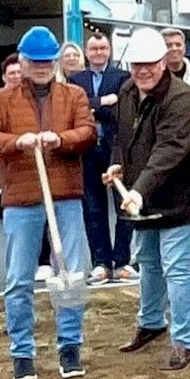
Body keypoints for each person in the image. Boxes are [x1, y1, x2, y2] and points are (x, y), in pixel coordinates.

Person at [0, 27, 97, 379]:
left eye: (47, 61)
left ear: (55, 61)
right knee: (18, 279)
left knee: (70, 275)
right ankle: (22, 353)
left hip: (65, 194)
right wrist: (16, 142)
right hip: (21, 197)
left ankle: (70, 347)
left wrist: (60, 139)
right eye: (35, 61)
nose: (42, 67)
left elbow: (87, 132)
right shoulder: (2, 99)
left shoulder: (73, 95)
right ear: (23, 62)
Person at [109, 26, 190, 372]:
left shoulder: (182, 99)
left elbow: (168, 152)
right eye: (136, 65)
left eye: (150, 65)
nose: (142, 71)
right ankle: (151, 321)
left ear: (164, 62)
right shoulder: (128, 92)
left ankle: (184, 341)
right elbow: (125, 138)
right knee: (147, 261)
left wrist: (138, 190)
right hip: (147, 195)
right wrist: (119, 166)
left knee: (176, 266)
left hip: (185, 196)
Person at [70, 25, 132, 284]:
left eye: (103, 48)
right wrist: (101, 103)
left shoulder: (123, 76)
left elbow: (121, 107)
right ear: (86, 52)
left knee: (124, 206)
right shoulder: (75, 80)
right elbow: (77, 110)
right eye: (94, 48)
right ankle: (101, 263)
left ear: (110, 50)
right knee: (93, 209)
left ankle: (123, 261)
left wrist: (94, 106)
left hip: (115, 147)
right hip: (87, 151)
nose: (98, 52)